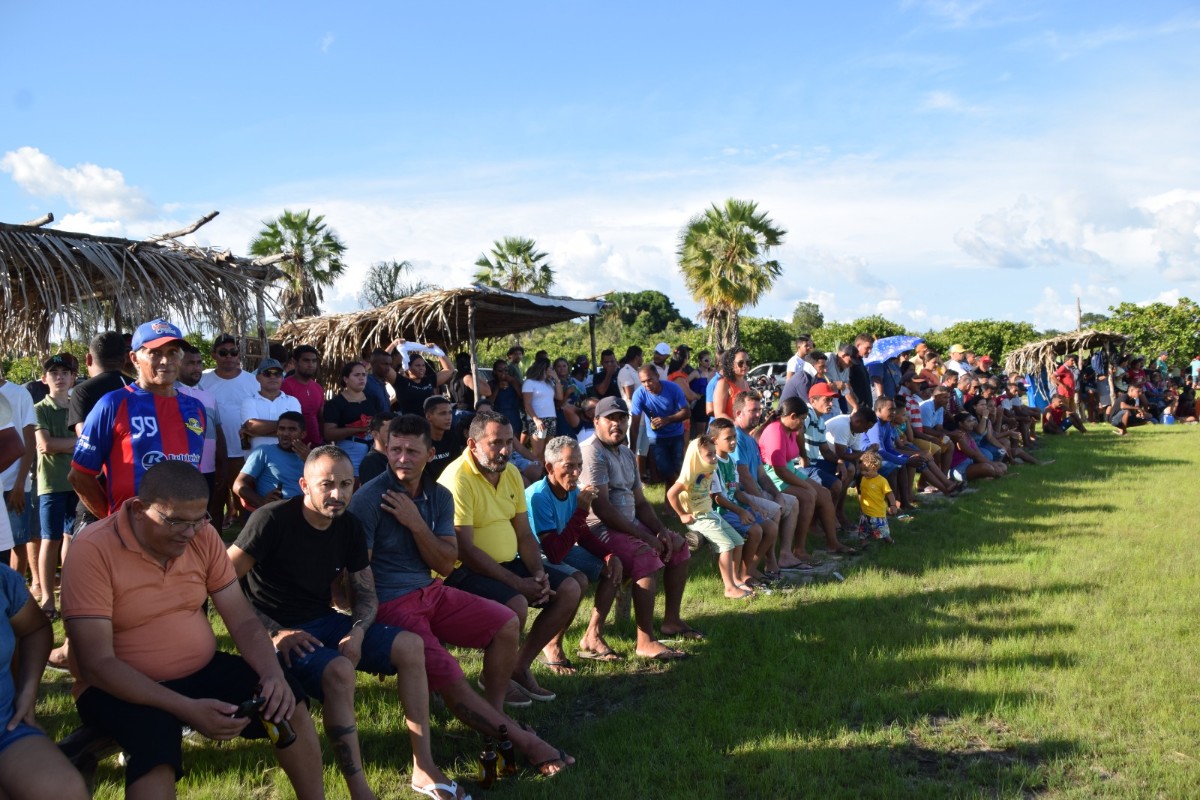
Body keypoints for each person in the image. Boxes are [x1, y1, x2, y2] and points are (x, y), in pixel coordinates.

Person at [61, 461, 325, 798]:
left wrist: (272, 673)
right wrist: (186, 709)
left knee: (287, 698)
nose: (189, 532)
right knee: (155, 743)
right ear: (141, 509)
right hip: (117, 684)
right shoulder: (94, 548)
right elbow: (97, 664)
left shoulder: (203, 536)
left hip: (199, 670)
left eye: (198, 519)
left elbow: (242, 620)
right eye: (175, 521)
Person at [346, 414, 574, 775]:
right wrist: (363, 625)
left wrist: (416, 523)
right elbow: (358, 579)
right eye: (395, 450)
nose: (402, 458)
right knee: (451, 673)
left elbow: (446, 561)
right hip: (390, 603)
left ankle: (495, 716)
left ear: (429, 453)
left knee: (505, 622)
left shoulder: (437, 495)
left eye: (411, 451)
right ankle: (525, 743)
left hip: (430, 591)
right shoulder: (369, 499)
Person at [229, 446, 461, 800]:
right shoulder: (271, 520)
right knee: (339, 671)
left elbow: (366, 594)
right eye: (326, 485)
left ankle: (423, 765)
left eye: (345, 484)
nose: (337, 494)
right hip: (274, 630)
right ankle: (359, 791)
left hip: (323, 620)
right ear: (304, 484)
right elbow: (222, 582)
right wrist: (274, 632)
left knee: (410, 645)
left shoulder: (348, 525)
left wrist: (357, 631)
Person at [438, 411, 583, 704]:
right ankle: (494, 681)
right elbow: (464, 548)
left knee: (569, 588)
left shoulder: (511, 473)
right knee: (515, 603)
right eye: (495, 443)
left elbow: (524, 534)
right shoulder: (458, 478)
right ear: (473, 444)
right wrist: (517, 583)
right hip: (462, 569)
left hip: (505, 562)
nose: (505, 450)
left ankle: (518, 665)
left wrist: (537, 573)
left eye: (509, 442)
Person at [580, 397, 697, 659]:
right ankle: (645, 641)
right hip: (596, 528)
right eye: (610, 418)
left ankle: (672, 620)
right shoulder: (591, 451)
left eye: (622, 419)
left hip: (627, 523)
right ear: (596, 421)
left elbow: (641, 502)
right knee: (645, 555)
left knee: (677, 545)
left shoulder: (625, 452)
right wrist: (645, 537)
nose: (617, 424)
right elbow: (603, 510)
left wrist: (660, 531)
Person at [70, 319, 206, 520]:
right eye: (155, 353)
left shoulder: (196, 408)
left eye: (172, 353)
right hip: (131, 535)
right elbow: (79, 475)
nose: (165, 361)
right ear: (134, 358)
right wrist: (113, 520)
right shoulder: (112, 404)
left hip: (184, 533)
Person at [526, 436, 623, 663]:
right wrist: (581, 511)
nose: (577, 472)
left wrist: (608, 555)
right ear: (549, 467)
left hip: (559, 546)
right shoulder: (539, 497)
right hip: (535, 555)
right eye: (569, 466)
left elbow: (582, 534)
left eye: (579, 465)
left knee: (613, 567)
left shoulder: (571, 491)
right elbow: (554, 553)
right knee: (578, 581)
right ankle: (552, 645)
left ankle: (593, 635)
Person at [0, 560, 89, 798]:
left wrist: (27, 692)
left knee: (66, 789)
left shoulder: (3, 580)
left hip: (4, 726)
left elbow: (35, 629)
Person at [757, 396, 856, 563]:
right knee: (808, 496)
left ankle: (833, 543)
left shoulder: (790, 429)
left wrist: (803, 456)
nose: (803, 423)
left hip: (789, 470)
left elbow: (798, 440)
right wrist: (806, 486)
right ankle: (799, 549)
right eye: (802, 419)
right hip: (772, 475)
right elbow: (779, 470)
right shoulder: (775, 432)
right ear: (792, 416)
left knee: (823, 494)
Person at [666, 436, 754, 600]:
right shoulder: (689, 474)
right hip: (698, 518)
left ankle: (735, 580)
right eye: (709, 455)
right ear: (697, 456)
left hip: (710, 515)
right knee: (726, 545)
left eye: (714, 453)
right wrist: (682, 515)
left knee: (738, 541)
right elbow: (671, 494)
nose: (714, 457)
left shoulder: (709, 470)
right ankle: (729, 588)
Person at [729, 391, 797, 574]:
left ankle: (785, 554)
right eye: (753, 410)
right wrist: (763, 502)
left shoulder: (750, 438)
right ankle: (768, 562)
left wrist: (776, 494)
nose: (758, 414)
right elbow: (744, 477)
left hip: (754, 491)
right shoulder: (734, 438)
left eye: (759, 410)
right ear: (738, 413)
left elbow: (761, 474)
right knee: (773, 509)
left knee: (792, 502)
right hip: (740, 495)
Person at [33, 354, 77, 619]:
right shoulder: (40, 408)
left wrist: (66, 444)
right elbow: (46, 445)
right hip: (51, 485)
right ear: (44, 378)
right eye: (53, 372)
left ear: (73, 377)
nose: (59, 376)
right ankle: (48, 599)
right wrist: (78, 442)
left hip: (78, 482)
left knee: (73, 538)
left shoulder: (78, 406)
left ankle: (71, 596)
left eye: (64, 372)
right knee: (50, 539)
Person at [199, 334, 260, 526]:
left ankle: (244, 549)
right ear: (214, 355)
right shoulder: (202, 380)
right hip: (212, 453)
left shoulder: (252, 381)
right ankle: (214, 549)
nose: (229, 357)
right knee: (214, 504)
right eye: (223, 353)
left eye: (233, 352)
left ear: (239, 355)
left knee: (245, 503)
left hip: (244, 453)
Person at [0, 362, 37, 591]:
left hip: (14, 483)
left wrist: (20, 483)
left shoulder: (18, 393)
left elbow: (27, 442)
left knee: (17, 542)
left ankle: (17, 593)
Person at [177, 342, 226, 512]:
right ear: (178, 364)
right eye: (190, 363)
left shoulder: (208, 396)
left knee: (207, 517)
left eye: (199, 363)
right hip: (180, 470)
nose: (196, 367)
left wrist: (221, 466)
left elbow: (218, 432)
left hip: (208, 469)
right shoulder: (167, 394)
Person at [628, 364, 690, 486]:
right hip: (656, 438)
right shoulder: (639, 394)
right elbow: (634, 424)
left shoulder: (673, 388)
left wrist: (667, 419)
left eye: (649, 380)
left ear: (657, 376)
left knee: (679, 468)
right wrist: (632, 449)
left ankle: (677, 499)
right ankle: (675, 499)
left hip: (676, 434)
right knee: (666, 472)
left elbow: (687, 412)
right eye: (643, 382)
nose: (647, 385)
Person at [235, 412, 311, 509]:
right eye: (281, 429)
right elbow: (238, 484)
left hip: (305, 509)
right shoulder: (263, 452)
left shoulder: (312, 456)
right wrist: (262, 502)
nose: (286, 433)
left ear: (303, 434)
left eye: (292, 429)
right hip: (274, 510)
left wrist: (310, 461)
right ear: (277, 432)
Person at [323, 362, 374, 477]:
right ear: (346, 379)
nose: (361, 378)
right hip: (350, 448)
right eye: (356, 375)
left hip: (373, 447)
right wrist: (357, 429)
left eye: (364, 375)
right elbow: (329, 433)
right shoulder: (335, 403)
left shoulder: (372, 399)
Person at [241, 358, 301, 453]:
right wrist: (287, 428)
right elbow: (253, 427)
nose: (272, 377)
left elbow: (296, 432)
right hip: (256, 462)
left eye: (277, 373)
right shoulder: (248, 401)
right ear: (258, 378)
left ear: (282, 377)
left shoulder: (293, 401)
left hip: (286, 461)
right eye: (267, 373)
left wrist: (255, 433)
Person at [282, 345, 326, 446]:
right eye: (306, 361)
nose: (311, 364)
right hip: (293, 447)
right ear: (295, 362)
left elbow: (320, 417)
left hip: (316, 446)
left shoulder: (318, 388)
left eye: (314, 361)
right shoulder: (285, 386)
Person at [521, 357, 562, 463]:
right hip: (538, 420)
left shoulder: (549, 383)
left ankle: (545, 473)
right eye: (550, 368)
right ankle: (535, 473)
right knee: (538, 451)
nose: (552, 370)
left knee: (549, 451)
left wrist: (556, 379)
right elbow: (527, 403)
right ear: (544, 368)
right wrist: (536, 420)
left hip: (551, 418)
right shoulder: (529, 382)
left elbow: (559, 397)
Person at [392, 347, 454, 417]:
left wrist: (436, 350)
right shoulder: (402, 382)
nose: (421, 368)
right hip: (410, 424)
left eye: (423, 365)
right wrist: (393, 344)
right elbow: (382, 364)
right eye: (417, 365)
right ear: (408, 368)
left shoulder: (428, 381)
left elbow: (450, 369)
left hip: (428, 424)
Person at [855, 451, 899, 544]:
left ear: (875, 468)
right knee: (863, 530)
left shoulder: (882, 481)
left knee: (882, 531)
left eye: (866, 470)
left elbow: (889, 494)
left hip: (877, 512)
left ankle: (889, 541)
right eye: (861, 470)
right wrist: (860, 505)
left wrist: (893, 505)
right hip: (865, 511)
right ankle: (864, 543)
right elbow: (861, 493)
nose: (863, 473)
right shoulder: (863, 479)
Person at [424, 395, 462, 481]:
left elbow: (457, 467)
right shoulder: (420, 441)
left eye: (450, 412)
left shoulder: (453, 437)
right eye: (443, 413)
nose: (449, 417)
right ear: (429, 416)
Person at [357, 412, 396, 485]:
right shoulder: (370, 462)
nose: (396, 434)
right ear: (375, 434)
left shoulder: (399, 457)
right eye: (390, 431)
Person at [712, 348, 750, 420]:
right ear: (731, 365)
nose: (745, 366)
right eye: (741, 363)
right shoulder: (723, 383)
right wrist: (737, 426)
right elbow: (718, 414)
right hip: (728, 429)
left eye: (747, 362)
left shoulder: (745, 383)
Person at [488, 359, 524, 435]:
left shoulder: (513, 381)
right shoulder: (491, 384)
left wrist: (513, 381)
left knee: (514, 438)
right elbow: (490, 402)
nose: (504, 373)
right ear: (495, 372)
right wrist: (497, 388)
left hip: (514, 415)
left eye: (506, 370)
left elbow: (522, 396)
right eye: (500, 371)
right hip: (498, 415)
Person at [364, 348, 395, 417]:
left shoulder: (382, 383)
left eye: (390, 365)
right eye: (385, 364)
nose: (388, 368)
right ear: (373, 364)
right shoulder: (367, 383)